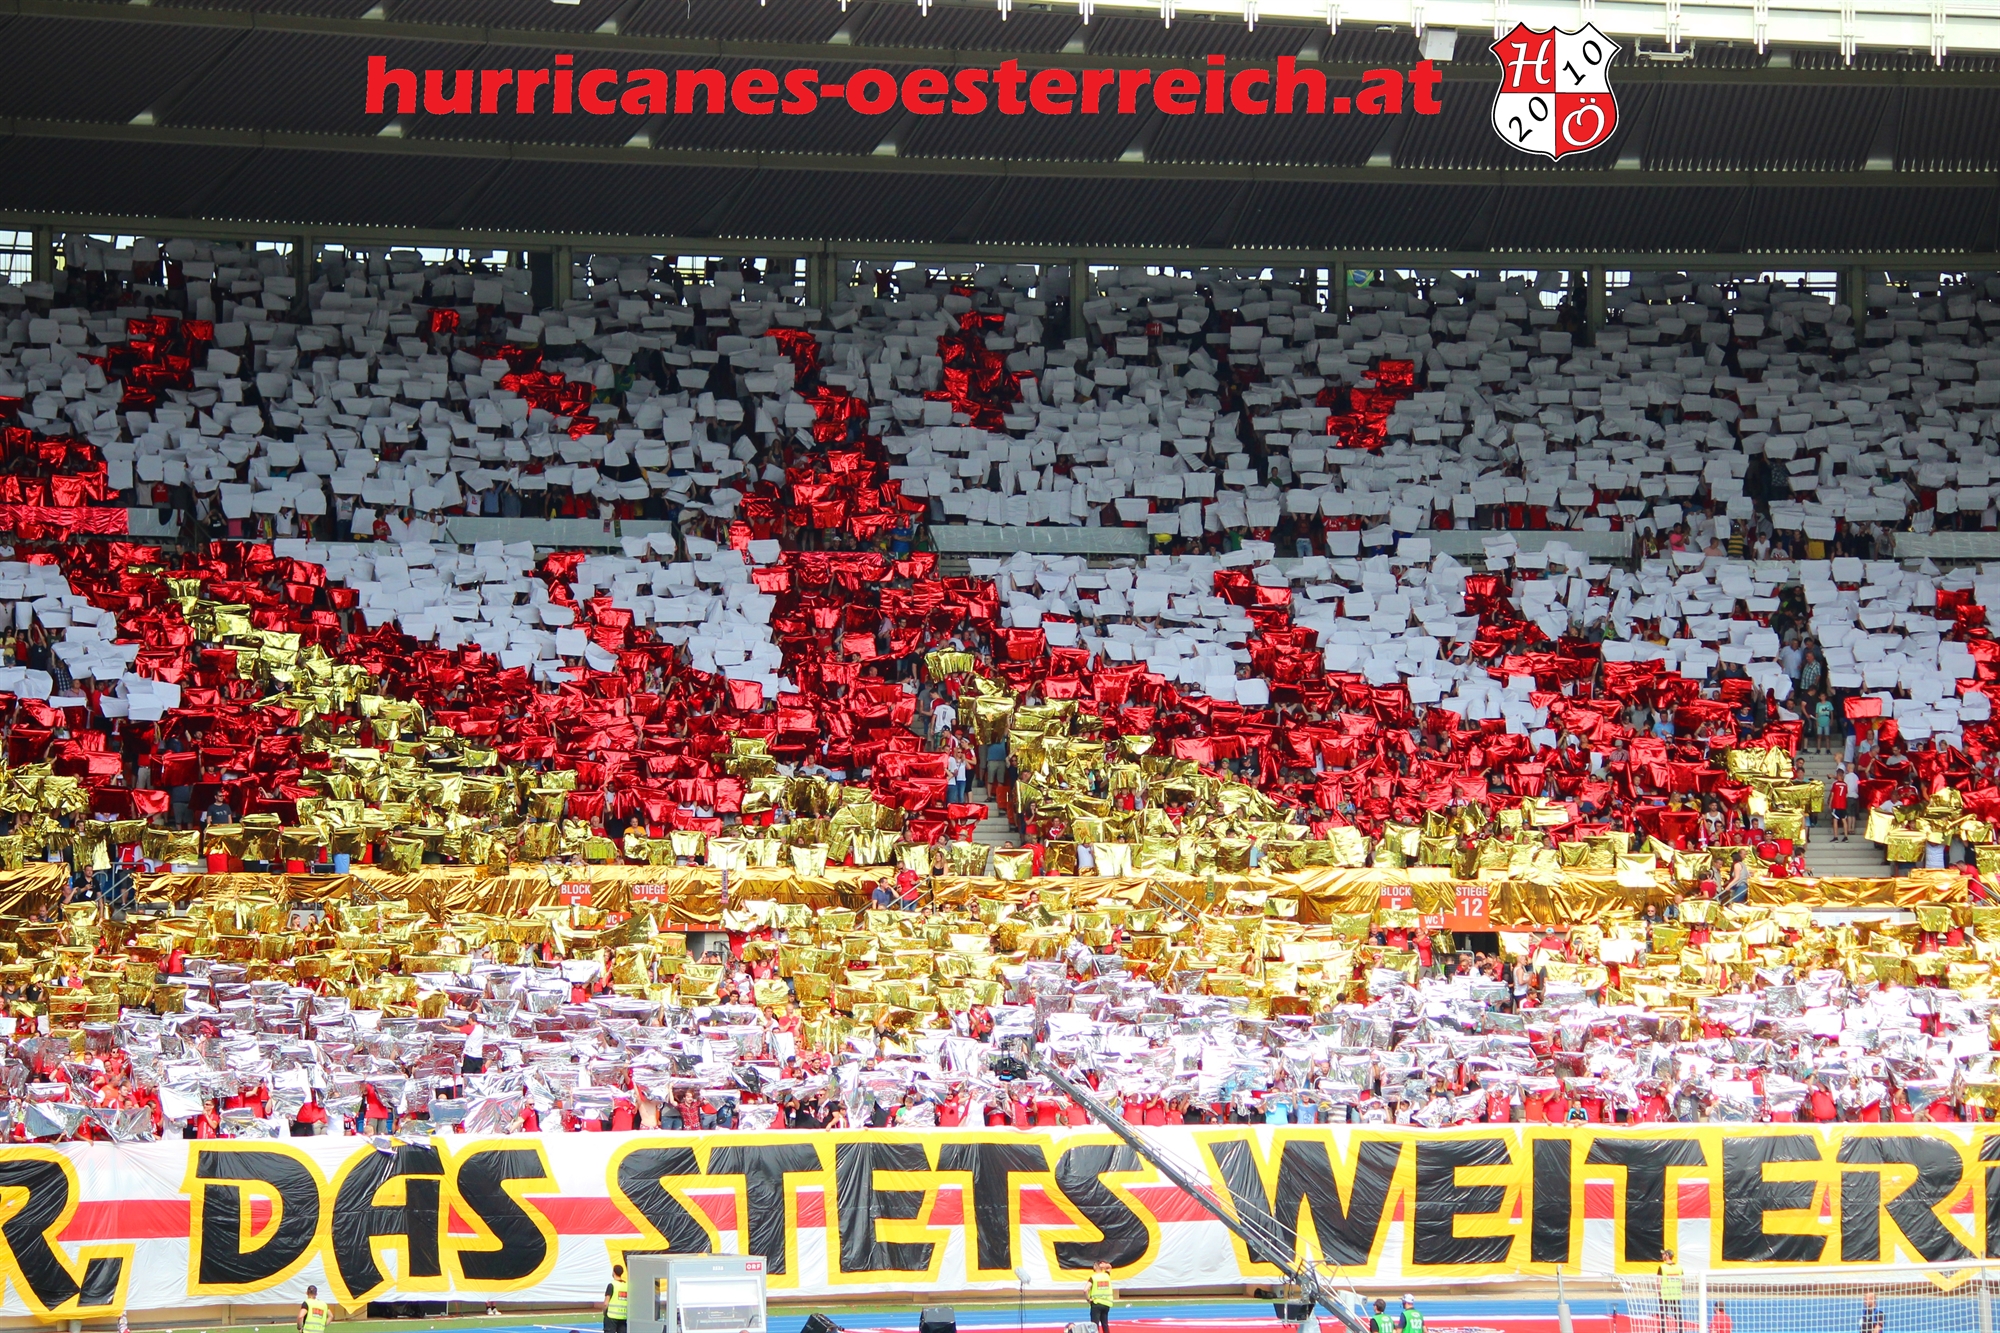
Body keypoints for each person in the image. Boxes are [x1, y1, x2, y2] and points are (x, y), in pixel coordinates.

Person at [1659, 1249, 1685, 1333]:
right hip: (1676, 1293)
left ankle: (1663, 1330)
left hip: (1665, 1293)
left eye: (1663, 1254)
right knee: (1677, 1314)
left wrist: (1659, 1291)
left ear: (1667, 1255)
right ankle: (1680, 1330)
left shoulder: (1662, 1267)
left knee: (1663, 1314)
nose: (1662, 1256)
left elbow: (1658, 1281)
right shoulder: (1679, 1267)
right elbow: (1683, 1281)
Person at [1086, 1260, 1116, 1333]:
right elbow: (1109, 1267)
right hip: (1106, 1303)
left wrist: (1088, 1299)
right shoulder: (1106, 1275)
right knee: (1105, 1324)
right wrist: (1104, 1265)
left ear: (1095, 1267)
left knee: (1094, 1325)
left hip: (1096, 1303)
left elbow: (1085, 1289)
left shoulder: (1093, 1277)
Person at [605, 1263, 630, 1333]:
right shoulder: (626, 1285)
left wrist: (604, 1311)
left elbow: (606, 1303)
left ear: (614, 1272)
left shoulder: (612, 1285)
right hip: (623, 1316)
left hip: (611, 1316)